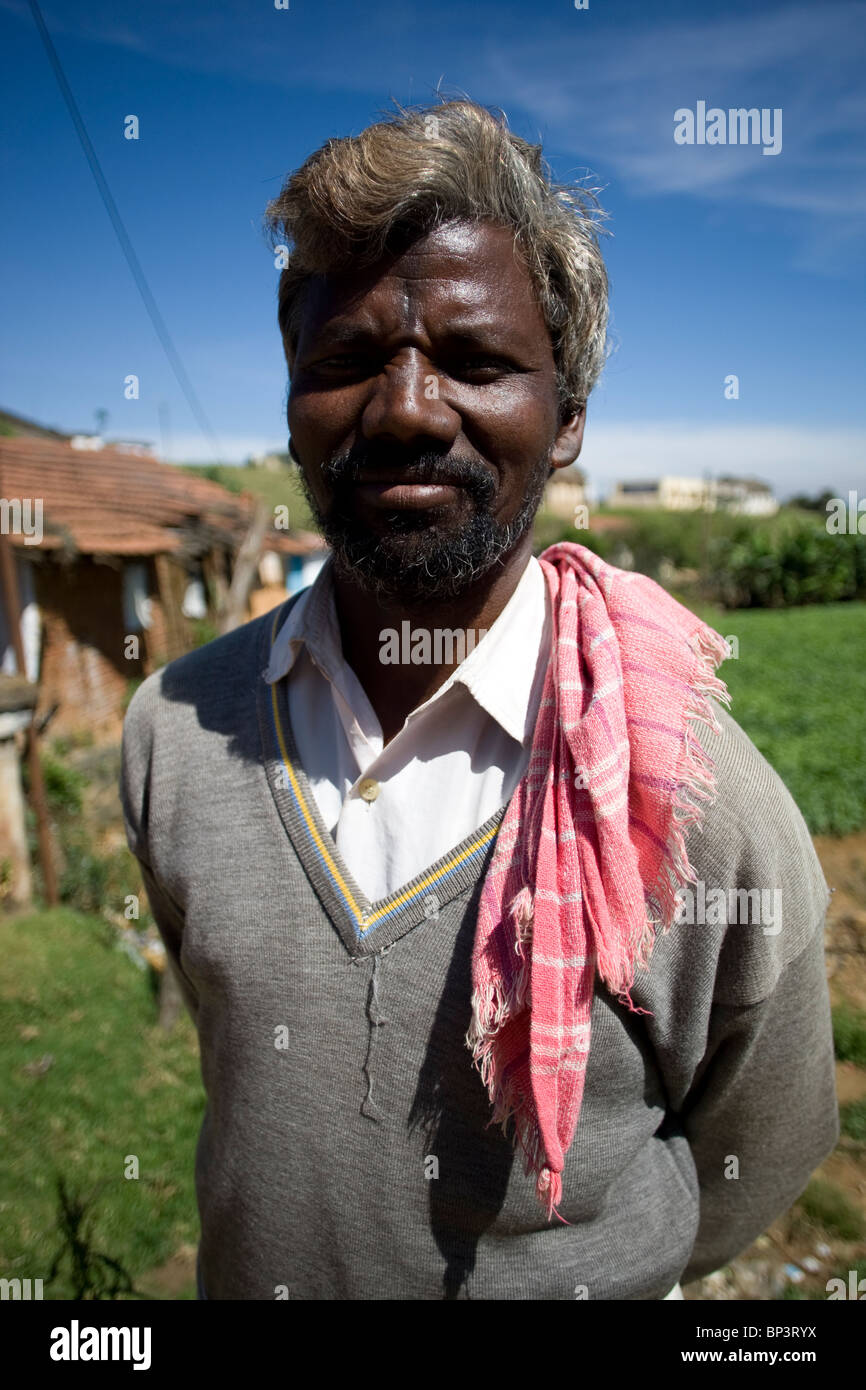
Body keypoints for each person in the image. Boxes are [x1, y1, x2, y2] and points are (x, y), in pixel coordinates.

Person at [121, 99, 838, 1301]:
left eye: (473, 360)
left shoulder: (694, 810)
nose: (405, 409)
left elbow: (754, 1155)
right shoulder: (173, 733)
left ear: (564, 421)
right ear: (294, 399)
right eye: (346, 360)